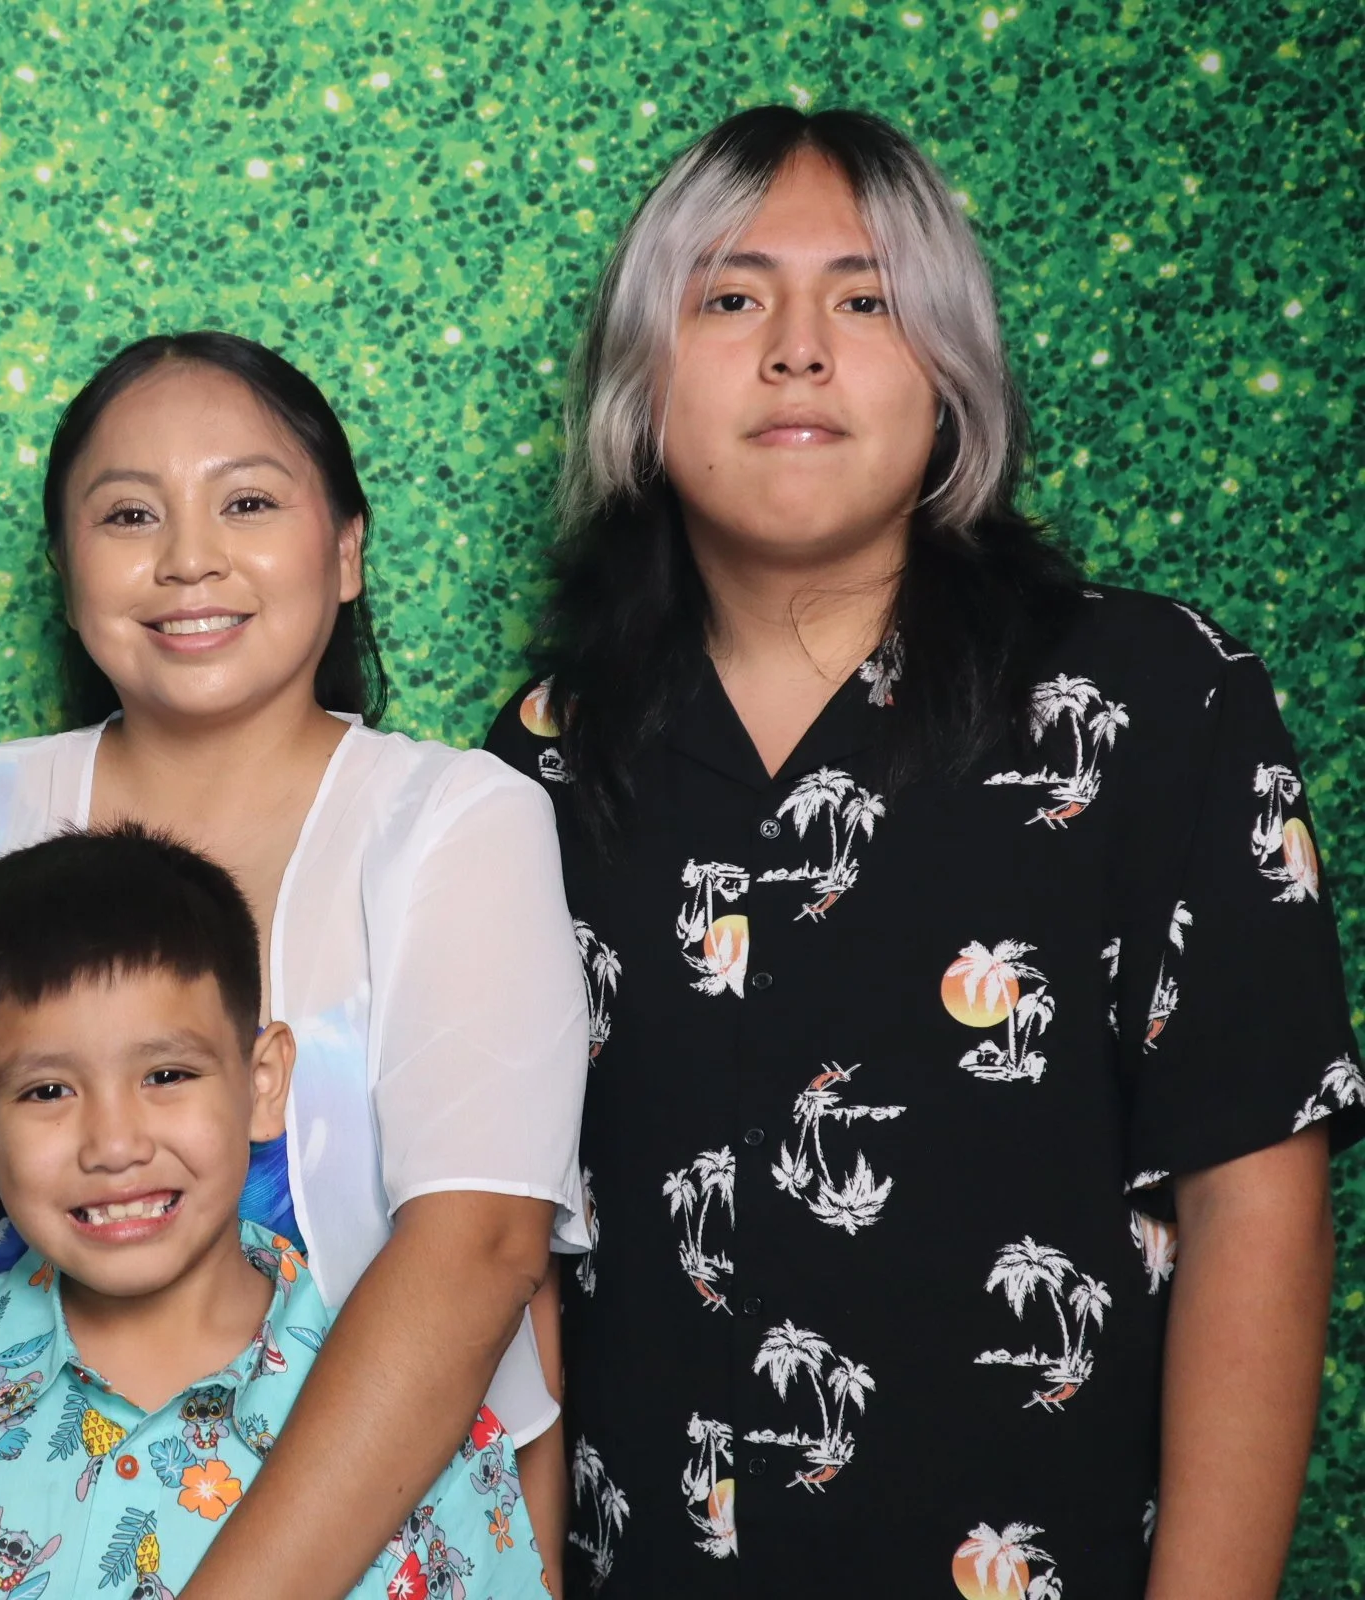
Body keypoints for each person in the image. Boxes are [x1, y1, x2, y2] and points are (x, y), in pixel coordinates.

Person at [482, 107, 1361, 1597]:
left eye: (868, 297)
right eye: (731, 295)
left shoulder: (1155, 697)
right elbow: (510, 1261)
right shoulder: (542, 763)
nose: (799, 348)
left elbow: (1254, 1196)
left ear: (950, 375)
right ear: (642, 381)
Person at [0, 331, 590, 1600]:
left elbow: (478, 1252)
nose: (189, 557)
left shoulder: (459, 818)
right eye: (130, 513)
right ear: (66, 571)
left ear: (346, 550)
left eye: (247, 501)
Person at [0, 824, 549, 1598]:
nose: (115, 1144)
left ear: (263, 1084)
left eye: (166, 1074)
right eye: (48, 1091)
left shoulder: (421, 1435)